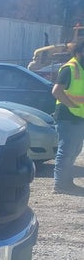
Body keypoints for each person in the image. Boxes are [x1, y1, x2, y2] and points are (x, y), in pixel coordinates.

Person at [51, 39, 84, 195]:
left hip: (78, 116)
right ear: (79, 52)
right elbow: (56, 91)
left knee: (74, 150)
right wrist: (71, 105)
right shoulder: (69, 68)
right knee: (66, 151)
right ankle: (60, 185)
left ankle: (66, 182)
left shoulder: (81, 68)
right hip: (67, 116)